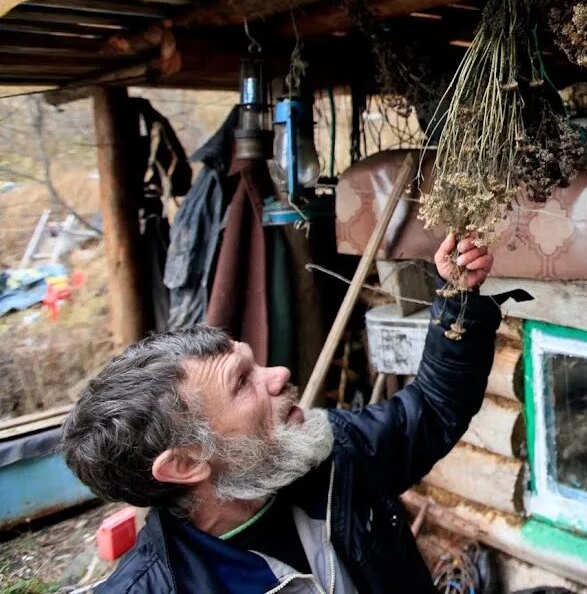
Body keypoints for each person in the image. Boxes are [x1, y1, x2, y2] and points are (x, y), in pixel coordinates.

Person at [61, 233, 499, 593]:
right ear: (185, 462)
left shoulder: (330, 456)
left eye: (255, 363)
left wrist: (457, 299)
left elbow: (434, 409)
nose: (279, 375)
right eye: (241, 382)